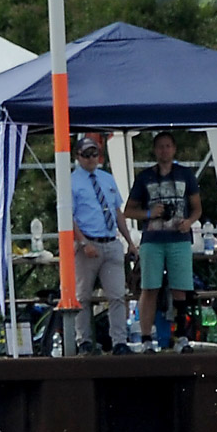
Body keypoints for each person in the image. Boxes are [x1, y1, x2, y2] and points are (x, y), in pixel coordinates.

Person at [126, 131, 203, 351]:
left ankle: (181, 336)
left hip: (178, 238)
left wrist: (188, 222)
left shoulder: (186, 175)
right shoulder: (145, 177)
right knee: (150, 287)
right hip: (152, 239)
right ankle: (146, 337)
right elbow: (129, 211)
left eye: (168, 146)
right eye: (160, 146)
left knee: (181, 288)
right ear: (155, 150)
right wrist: (150, 213)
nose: (164, 150)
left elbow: (197, 208)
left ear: (174, 149)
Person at [66, 138, 134, 354]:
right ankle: (83, 341)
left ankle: (119, 342)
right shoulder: (71, 182)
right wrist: (83, 242)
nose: (91, 159)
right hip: (88, 242)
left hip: (110, 241)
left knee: (117, 295)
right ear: (78, 157)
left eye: (94, 154)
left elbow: (117, 211)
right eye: (86, 155)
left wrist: (129, 241)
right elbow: (68, 216)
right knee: (82, 296)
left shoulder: (106, 179)